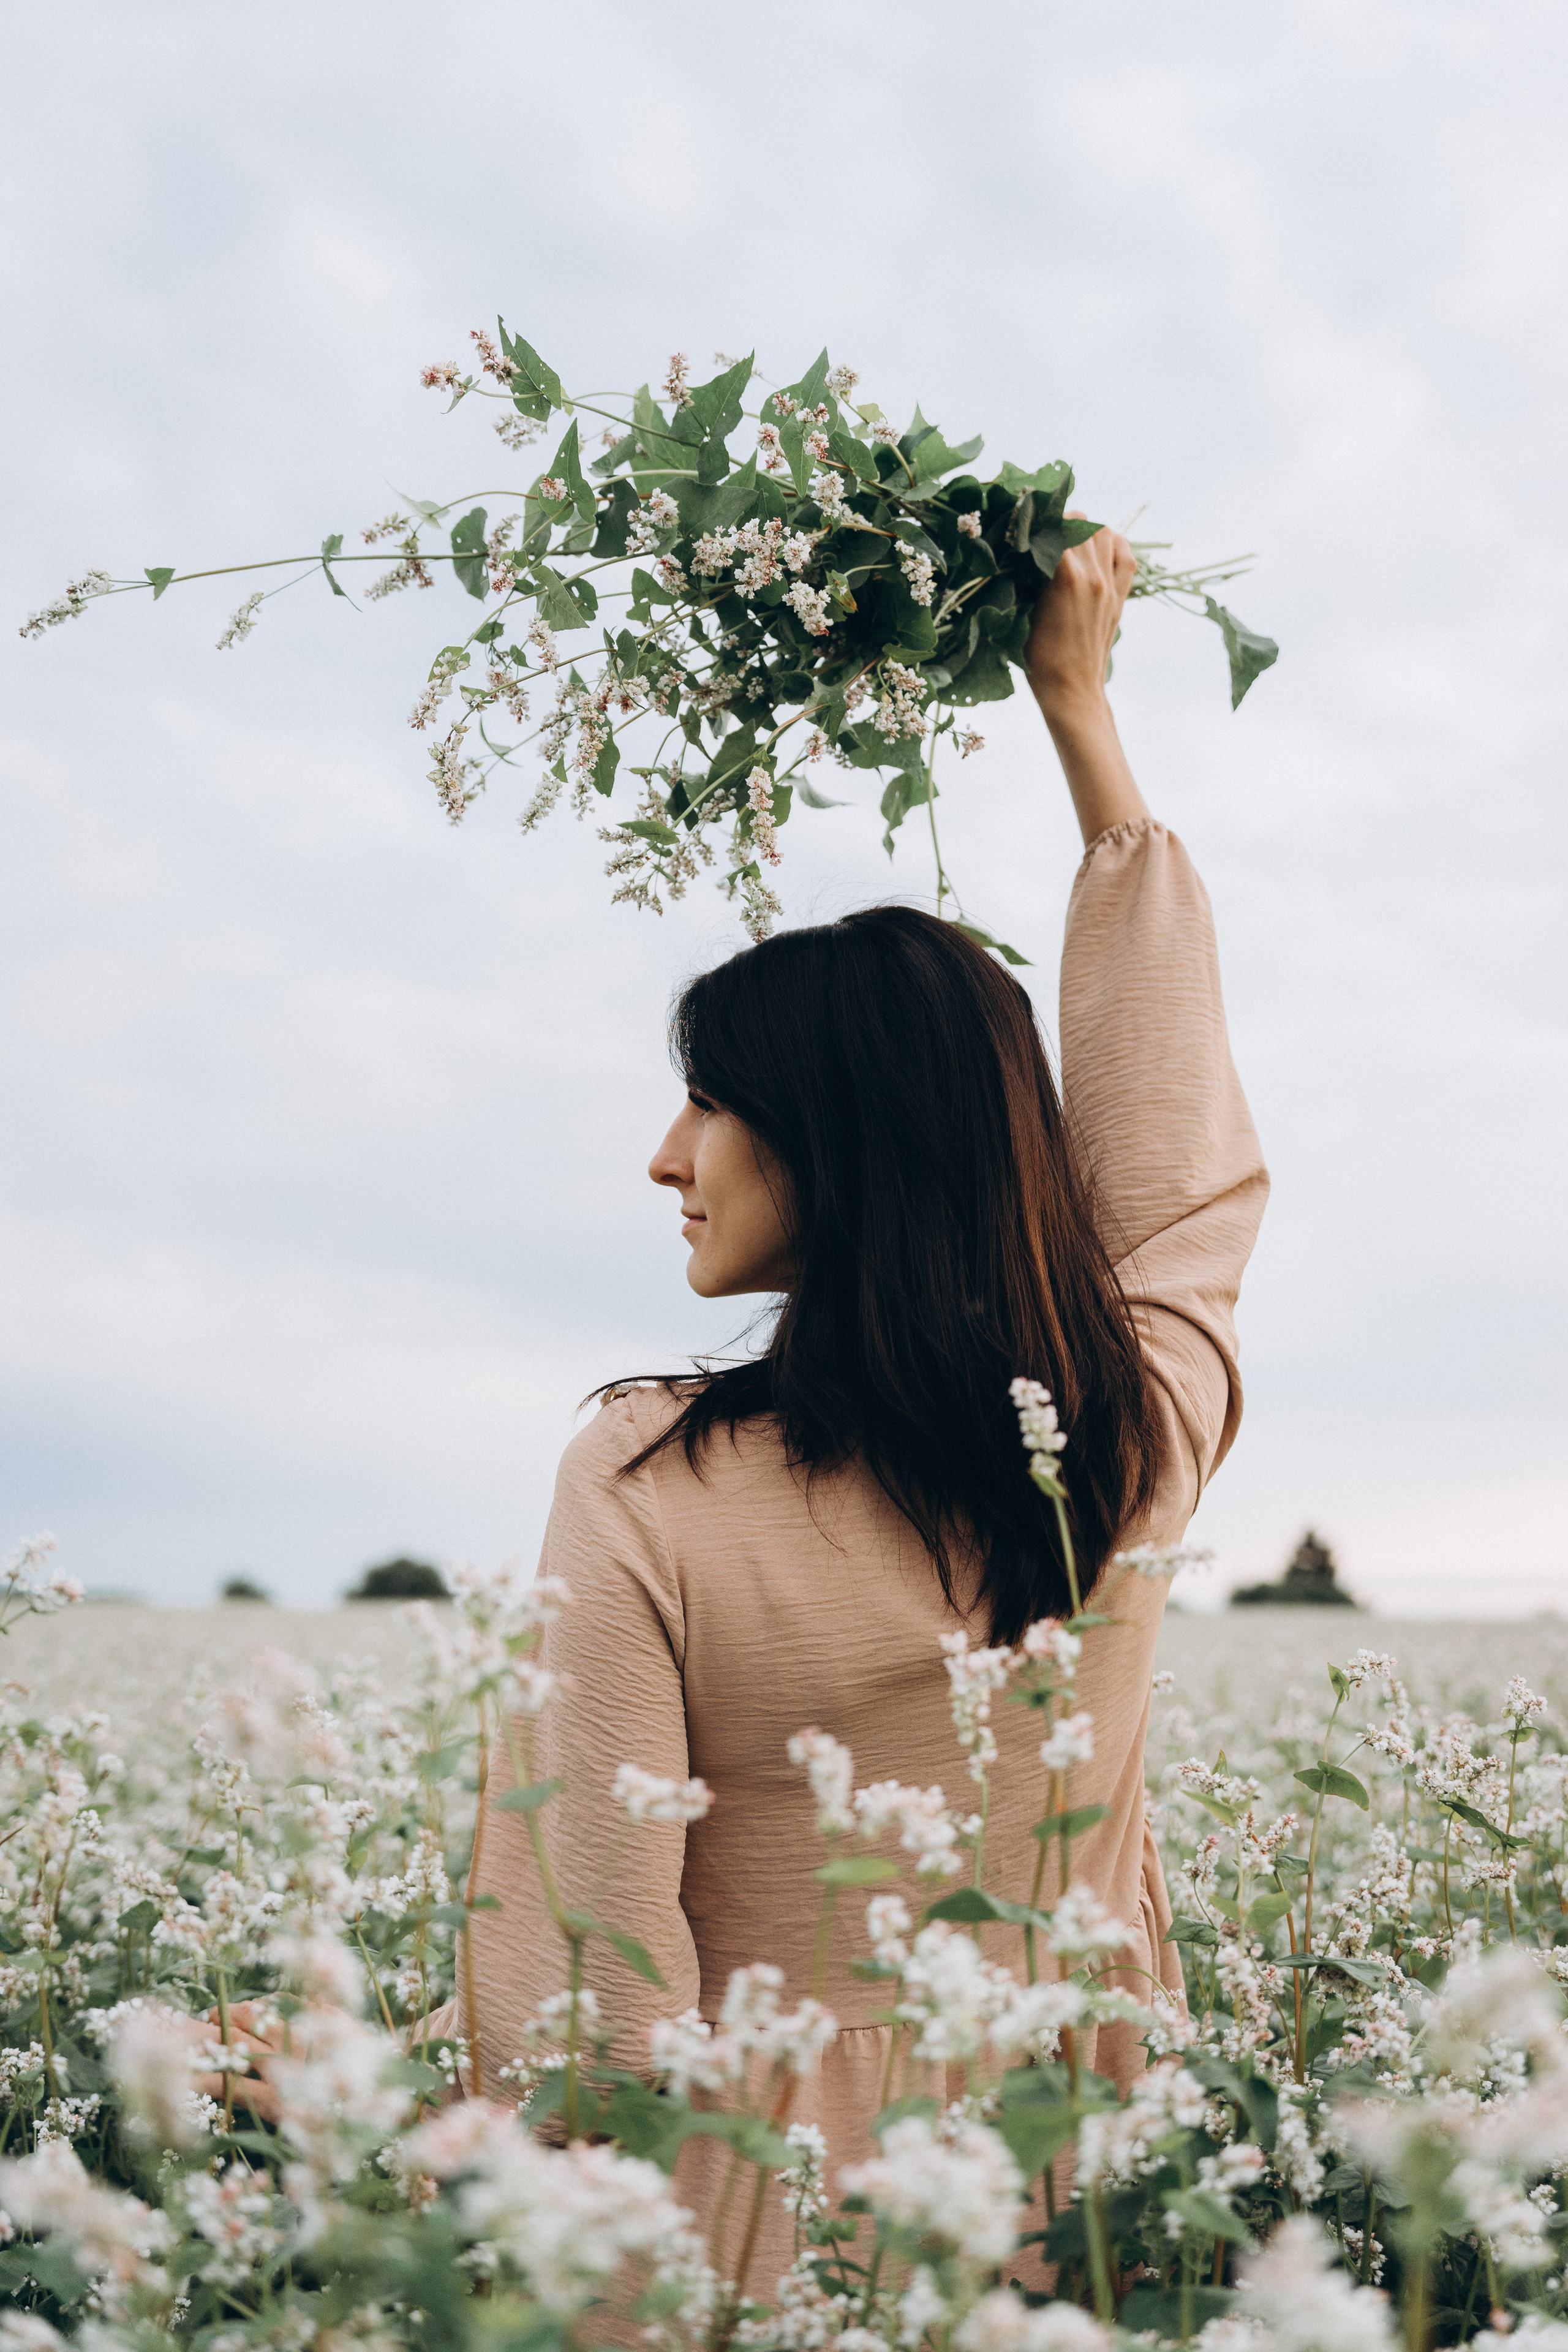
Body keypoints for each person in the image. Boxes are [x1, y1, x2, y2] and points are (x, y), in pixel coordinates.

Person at [447, 518, 1267, 2292]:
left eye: (709, 1103)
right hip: (1078, 2180)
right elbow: (1173, 1142)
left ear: (841, 1145)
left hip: (756, 2209)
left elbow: (591, 1975)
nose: (664, 1155)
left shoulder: (646, 1479)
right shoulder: (1127, 1446)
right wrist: (1081, 716)